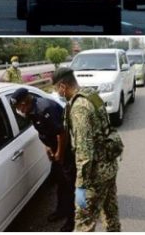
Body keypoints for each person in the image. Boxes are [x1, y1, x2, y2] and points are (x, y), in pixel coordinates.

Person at [52, 67, 121, 232]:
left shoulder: (79, 108)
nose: (58, 94)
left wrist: (81, 186)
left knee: (83, 223)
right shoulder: (91, 95)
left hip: (95, 175)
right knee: (111, 215)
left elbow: (84, 152)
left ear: (62, 86)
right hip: (109, 166)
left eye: (56, 90)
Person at [11, 87, 75, 232]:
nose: (18, 110)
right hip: (55, 148)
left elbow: (61, 133)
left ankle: (72, 220)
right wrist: (47, 148)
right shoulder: (32, 110)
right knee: (60, 182)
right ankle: (61, 210)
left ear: (24, 103)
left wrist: (59, 153)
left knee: (70, 185)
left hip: (67, 150)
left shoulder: (44, 109)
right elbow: (44, 131)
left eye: (18, 107)